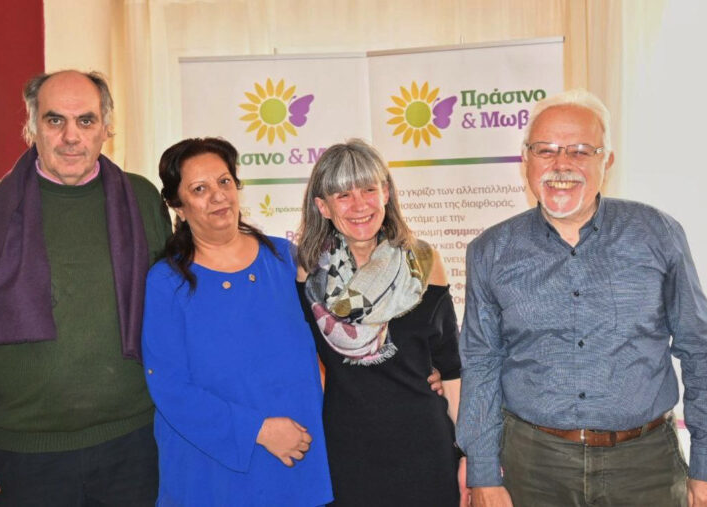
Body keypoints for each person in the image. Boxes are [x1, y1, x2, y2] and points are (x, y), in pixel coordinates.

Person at [456, 89, 707, 506]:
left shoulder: (658, 235)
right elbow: (482, 363)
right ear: (525, 159)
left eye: (580, 151)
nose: (561, 164)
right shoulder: (491, 251)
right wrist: (482, 472)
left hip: (646, 467)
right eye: (546, 150)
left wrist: (704, 464)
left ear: (607, 161)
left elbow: (699, 349)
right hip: (532, 467)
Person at [0, 70, 171, 506]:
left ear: (106, 127)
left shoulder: (142, 200)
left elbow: (175, 316)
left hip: (135, 446)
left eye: (85, 120)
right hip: (25, 458)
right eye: (54, 120)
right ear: (31, 126)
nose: (70, 136)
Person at [141, 137, 333, 506]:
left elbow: (338, 338)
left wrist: (420, 367)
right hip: (212, 471)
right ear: (178, 206)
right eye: (199, 189)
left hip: (298, 460)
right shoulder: (166, 283)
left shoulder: (287, 259)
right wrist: (258, 431)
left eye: (224, 181)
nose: (218, 196)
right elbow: (169, 387)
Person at [295, 139, 463, 506]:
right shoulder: (309, 276)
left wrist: (468, 456)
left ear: (385, 192)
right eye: (343, 195)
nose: (359, 205)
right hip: (346, 454)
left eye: (368, 190)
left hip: (426, 448)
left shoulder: (425, 263)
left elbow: (451, 368)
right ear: (323, 206)